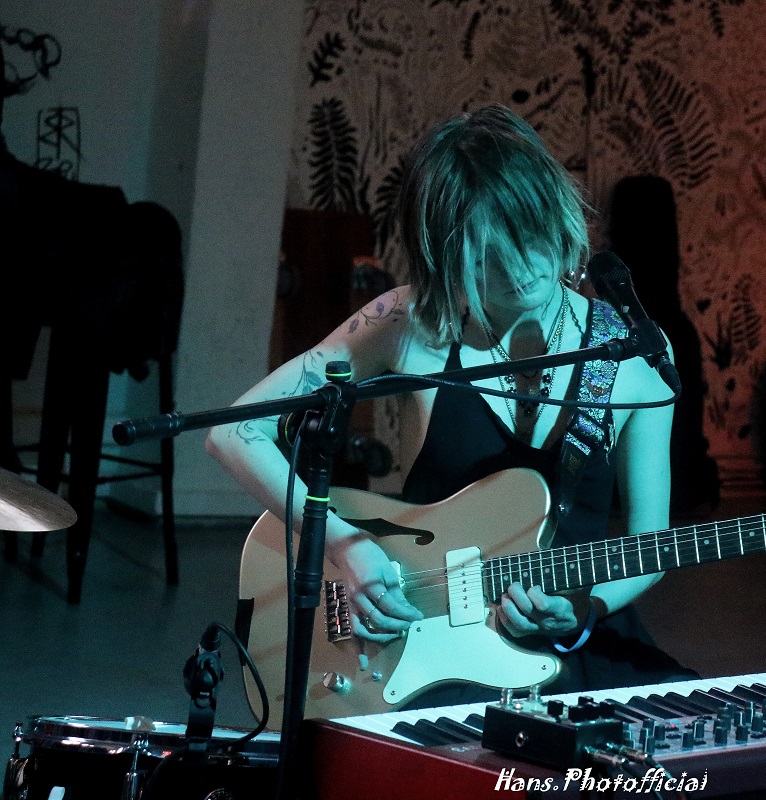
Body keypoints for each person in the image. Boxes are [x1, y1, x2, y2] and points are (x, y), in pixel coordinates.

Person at [206, 104, 695, 709]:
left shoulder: (634, 352)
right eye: (486, 254)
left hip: (571, 643)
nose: (518, 268)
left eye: (527, 234)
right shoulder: (411, 322)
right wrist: (345, 544)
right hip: (419, 646)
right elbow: (233, 432)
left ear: (554, 213)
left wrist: (581, 608)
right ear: (446, 255)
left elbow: (652, 543)